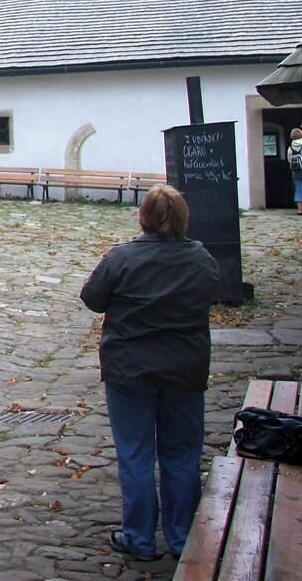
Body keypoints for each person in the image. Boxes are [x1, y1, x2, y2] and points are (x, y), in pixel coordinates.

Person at [80, 184, 220, 561]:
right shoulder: (199, 258)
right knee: (182, 453)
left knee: (135, 453)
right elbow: (212, 291)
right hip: (184, 368)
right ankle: (180, 536)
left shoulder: (122, 258)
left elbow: (92, 298)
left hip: (131, 369)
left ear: (143, 217)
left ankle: (139, 537)